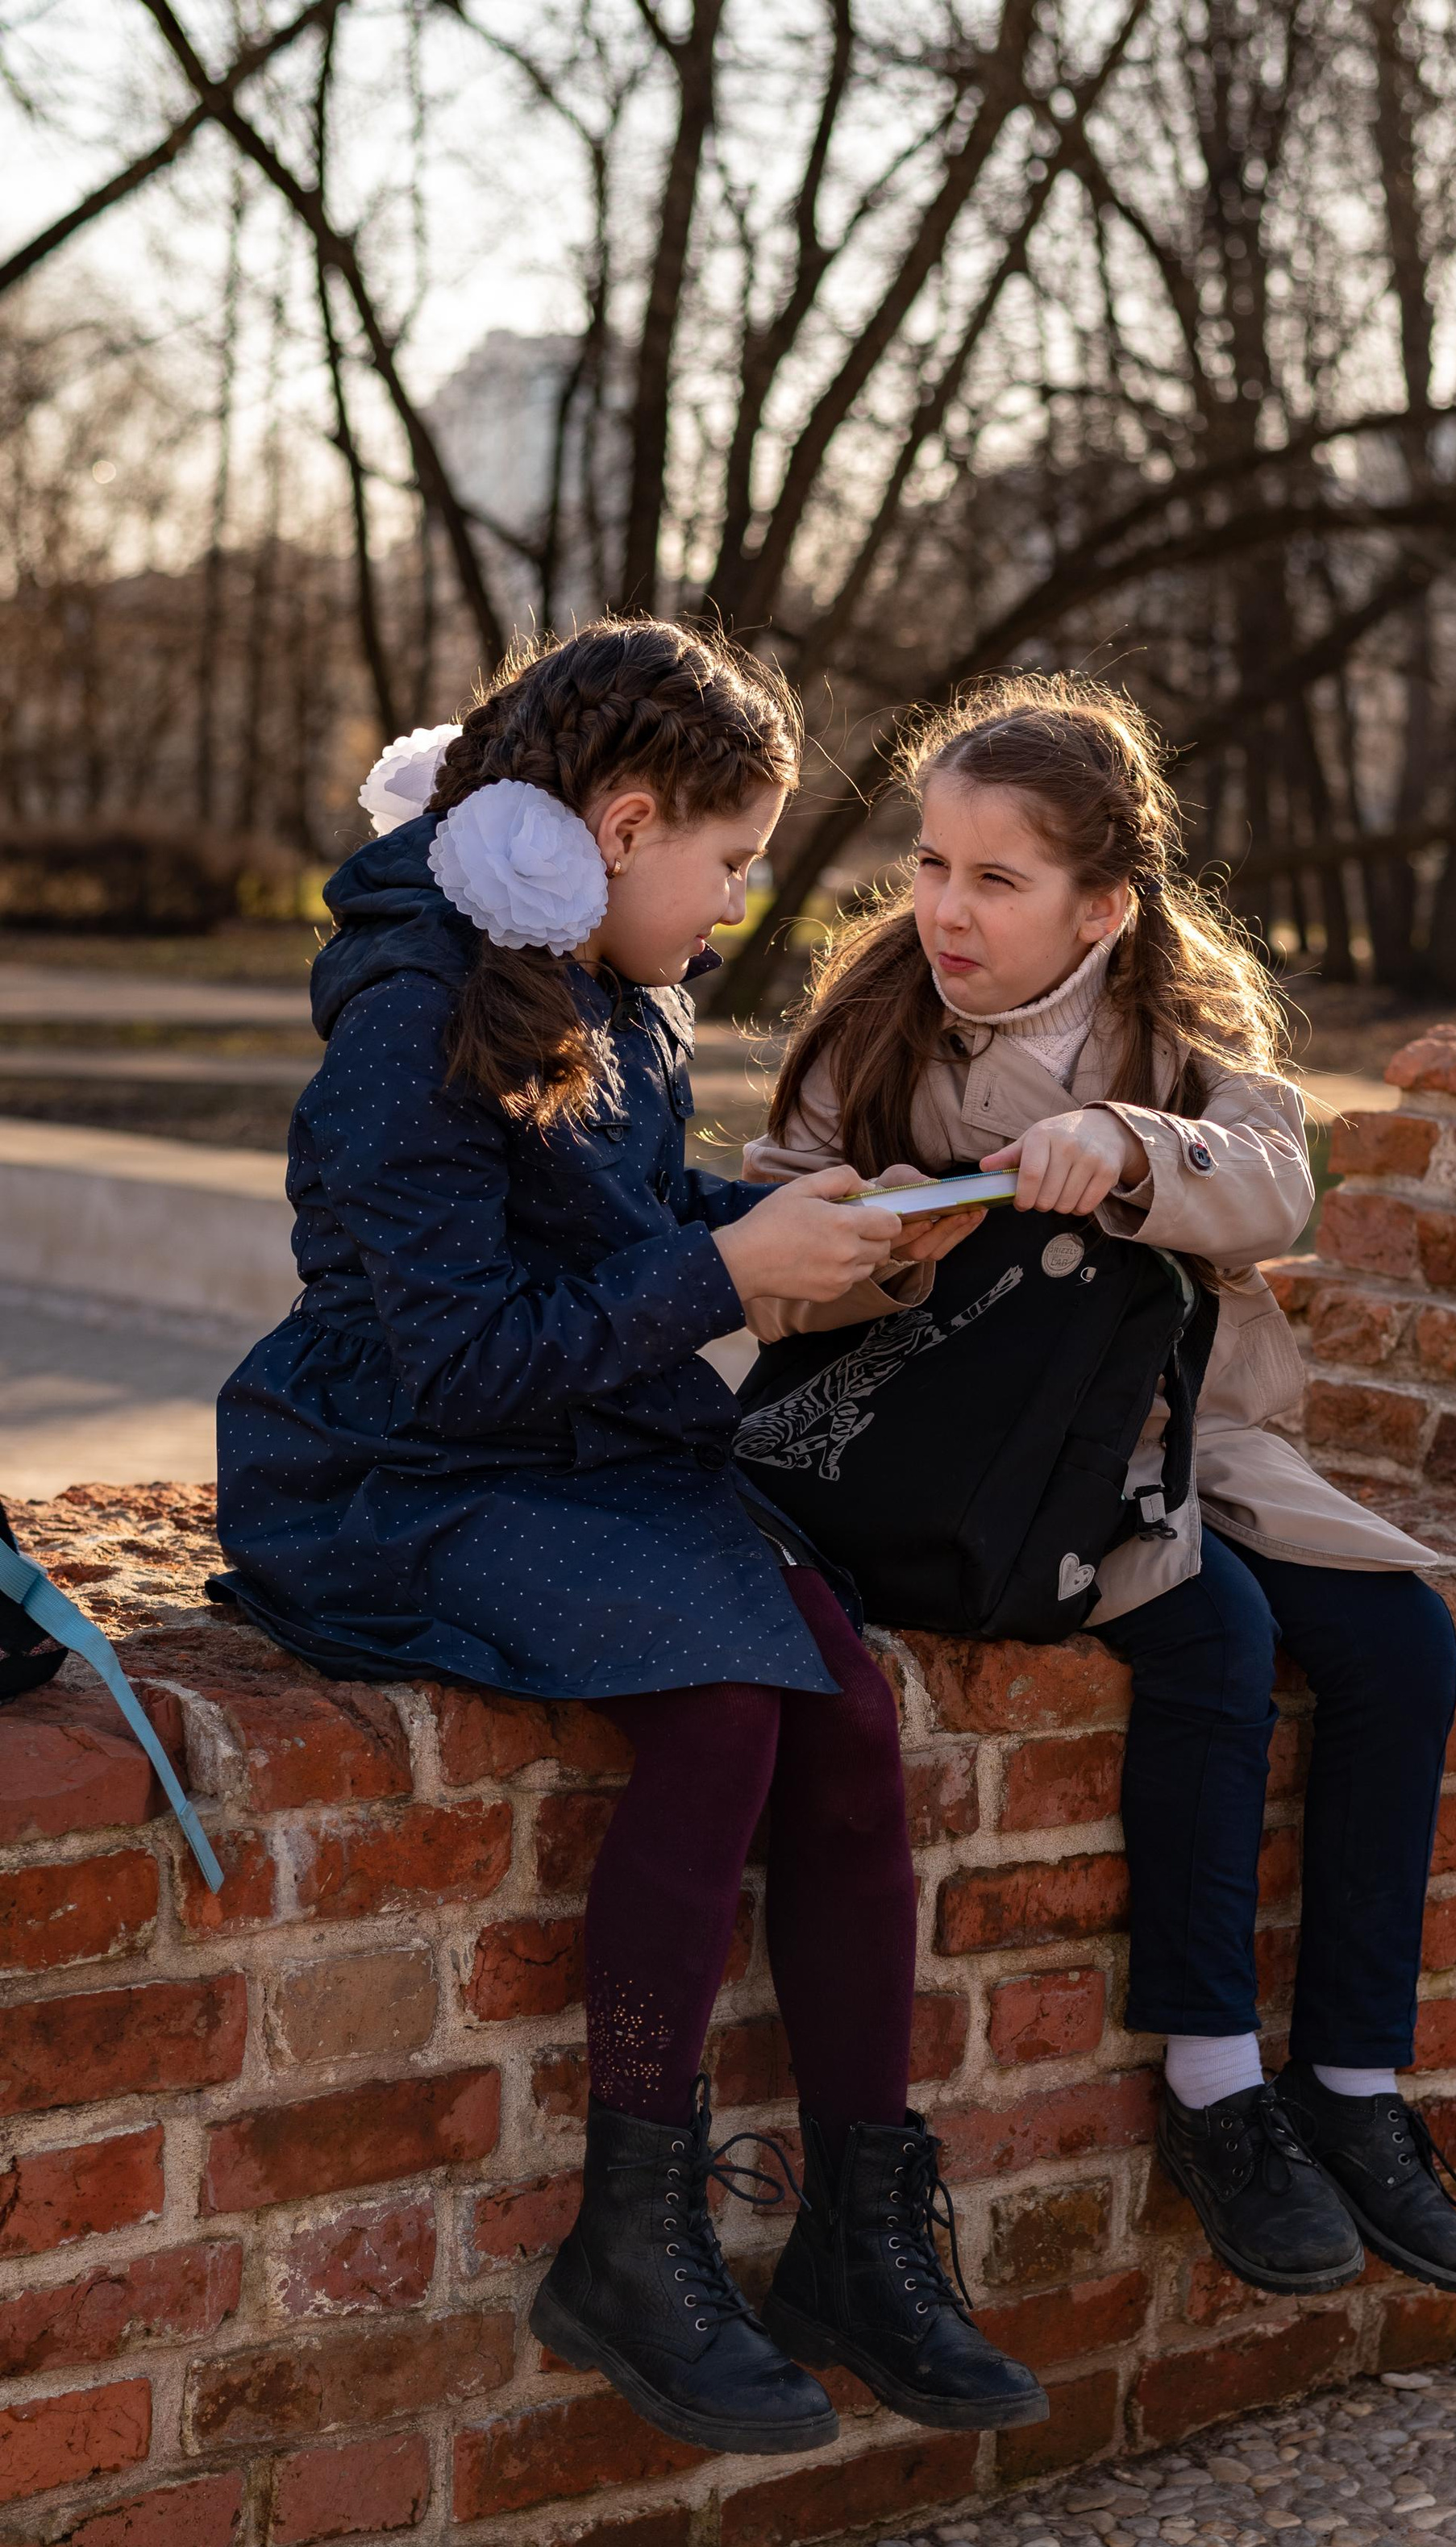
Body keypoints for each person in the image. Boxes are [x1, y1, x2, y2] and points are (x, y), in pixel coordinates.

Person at [211, 618, 1046, 2454]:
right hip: (389, 1478)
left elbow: (609, 1204)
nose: (739, 905)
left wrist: (783, 1217)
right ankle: (628, 2239)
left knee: (839, 1709)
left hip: (566, 1446)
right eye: (730, 863)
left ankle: (852, 2225)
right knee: (725, 1706)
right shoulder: (413, 1017)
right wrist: (722, 1278)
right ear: (620, 819)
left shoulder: (602, 982)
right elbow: (450, 1362)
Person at [748, 677, 1456, 2304]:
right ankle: (1214, 2086)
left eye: (995, 881)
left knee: (1398, 1649)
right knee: (1215, 1645)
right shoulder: (874, 1020)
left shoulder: (1177, 1023)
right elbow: (754, 1247)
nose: (943, 908)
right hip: (980, 1450)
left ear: (1102, 903)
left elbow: (1281, 1174)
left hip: (1198, 1435)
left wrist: (1133, 1145)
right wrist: (867, 1236)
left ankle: (1353, 2091)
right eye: (929, 864)